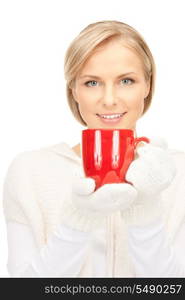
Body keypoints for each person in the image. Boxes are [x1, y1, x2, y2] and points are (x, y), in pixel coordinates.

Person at [3, 20, 185, 278]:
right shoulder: (29, 171)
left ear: (147, 85)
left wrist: (146, 215)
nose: (109, 100)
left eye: (126, 80)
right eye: (92, 83)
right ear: (74, 90)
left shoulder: (179, 172)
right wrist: (77, 223)